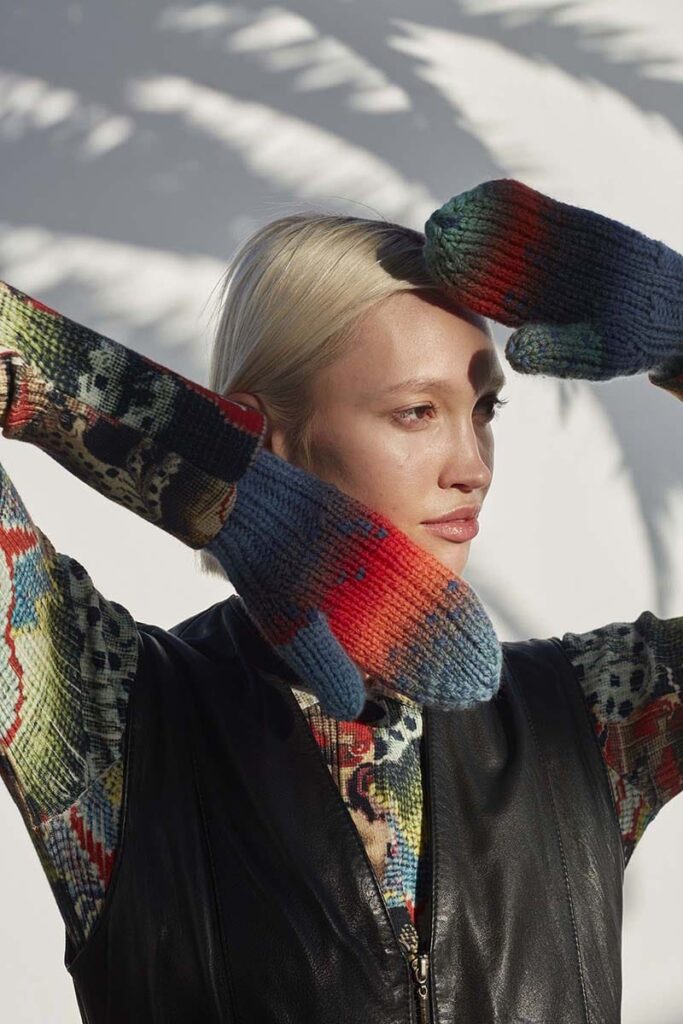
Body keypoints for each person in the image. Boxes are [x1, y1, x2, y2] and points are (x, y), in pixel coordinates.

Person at [0, 178, 680, 1022]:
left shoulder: (586, 722)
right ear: (270, 437)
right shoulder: (110, 715)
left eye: (483, 410)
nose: (471, 465)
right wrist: (213, 473)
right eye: (416, 412)